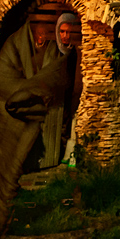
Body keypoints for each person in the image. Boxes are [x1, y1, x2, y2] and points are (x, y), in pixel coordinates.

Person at [0, 0, 75, 238]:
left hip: (46, 115)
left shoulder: (54, 52)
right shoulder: (14, 48)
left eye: (45, 34)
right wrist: (25, 92)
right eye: (37, 34)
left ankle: (1, 217)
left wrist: (33, 90)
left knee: (17, 170)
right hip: (4, 119)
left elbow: (54, 76)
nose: (41, 39)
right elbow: (2, 83)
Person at [38, 12, 82, 169]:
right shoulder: (51, 49)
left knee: (64, 128)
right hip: (50, 97)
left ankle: (60, 157)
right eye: (62, 31)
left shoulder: (73, 51)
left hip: (67, 97)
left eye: (68, 32)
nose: (65, 35)